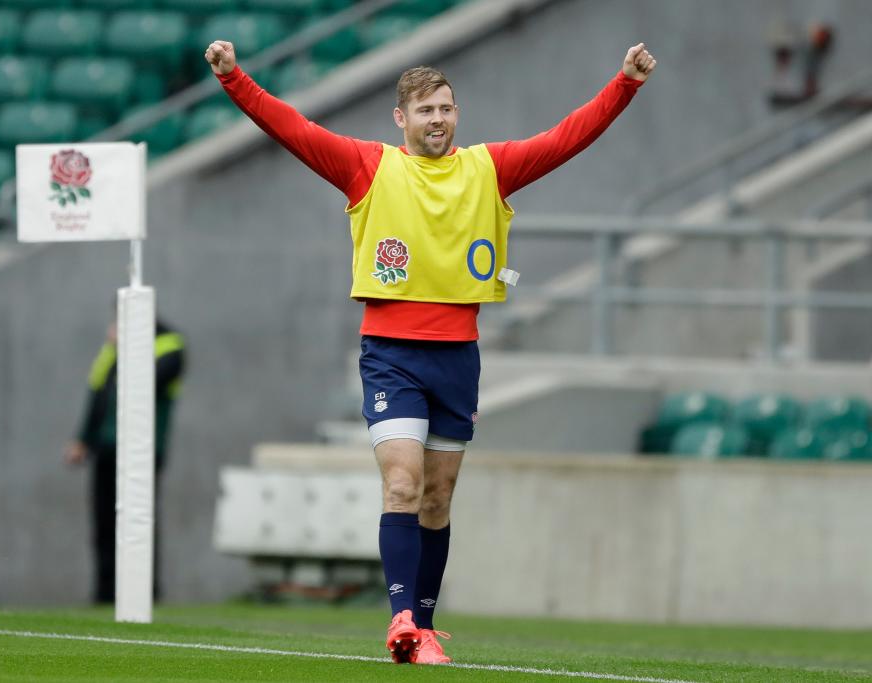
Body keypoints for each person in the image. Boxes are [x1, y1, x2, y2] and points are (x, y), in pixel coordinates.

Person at [205, 38, 655, 664]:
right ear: (401, 119)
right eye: (425, 110)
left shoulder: (488, 169)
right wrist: (235, 79)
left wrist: (624, 83)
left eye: (446, 107)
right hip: (391, 353)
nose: (438, 119)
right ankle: (400, 619)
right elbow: (293, 128)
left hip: (458, 356)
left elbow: (565, 137)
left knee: (438, 498)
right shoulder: (369, 167)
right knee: (402, 482)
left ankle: (424, 630)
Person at [64, 316, 186, 604]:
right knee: (104, 522)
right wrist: (82, 438)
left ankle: (146, 593)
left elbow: (146, 385)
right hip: (106, 448)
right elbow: (97, 395)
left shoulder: (170, 346)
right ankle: (105, 593)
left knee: (139, 520)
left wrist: (128, 348)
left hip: (144, 451)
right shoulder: (111, 351)